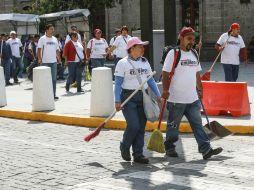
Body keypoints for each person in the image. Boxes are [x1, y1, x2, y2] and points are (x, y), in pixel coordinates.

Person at [162, 27, 223, 160]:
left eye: (193, 39)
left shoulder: (194, 53)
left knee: (197, 125)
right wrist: (165, 91)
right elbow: (165, 74)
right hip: (176, 99)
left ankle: (206, 149)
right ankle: (170, 147)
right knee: (173, 125)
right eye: (189, 38)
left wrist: (200, 89)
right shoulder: (174, 53)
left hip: (193, 99)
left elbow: (196, 74)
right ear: (181, 38)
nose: (192, 41)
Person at [114, 37, 161, 164]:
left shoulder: (145, 62)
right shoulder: (122, 63)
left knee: (141, 127)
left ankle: (138, 154)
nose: (142, 49)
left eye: (142, 46)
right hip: (128, 97)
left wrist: (158, 95)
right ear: (132, 48)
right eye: (140, 46)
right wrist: (117, 100)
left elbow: (150, 80)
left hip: (143, 97)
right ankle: (124, 145)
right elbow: (118, 84)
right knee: (133, 125)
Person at [37, 24, 61, 100]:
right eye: (51, 29)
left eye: (53, 29)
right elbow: (39, 49)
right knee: (45, 79)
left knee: (54, 79)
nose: (52, 30)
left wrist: (59, 58)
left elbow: (57, 49)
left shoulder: (55, 39)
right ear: (47, 30)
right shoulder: (42, 39)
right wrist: (40, 58)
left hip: (53, 62)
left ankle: (53, 94)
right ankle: (45, 94)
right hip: (45, 62)